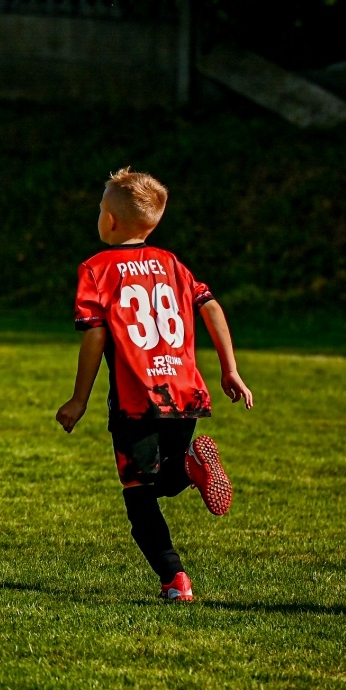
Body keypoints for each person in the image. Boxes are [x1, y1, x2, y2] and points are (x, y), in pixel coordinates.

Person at [55, 167, 255, 601]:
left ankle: (175, 580)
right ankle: (189, 465)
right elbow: (212, 307)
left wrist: (78, 399)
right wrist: (230, 369)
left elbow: (95, 335)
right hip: (185, 392)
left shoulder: (96, 269)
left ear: (109, 221)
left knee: (139, 492)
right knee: (165, 476)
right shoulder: (172, 264)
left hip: (136, 399)